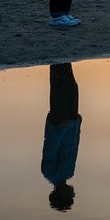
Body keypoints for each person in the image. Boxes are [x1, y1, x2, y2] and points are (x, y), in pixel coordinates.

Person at [42, 63, 82, 211]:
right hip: (71, 122)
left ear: (61, 194)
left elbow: (51, 147)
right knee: (72, 87)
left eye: (70, 197)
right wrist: (78, 125)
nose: (73, 194)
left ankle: (57, 61)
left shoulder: (49, 172)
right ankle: (66, 60)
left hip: (59, 123)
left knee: (60, 87)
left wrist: (60, 128)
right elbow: (74, 146)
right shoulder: (69, 173)